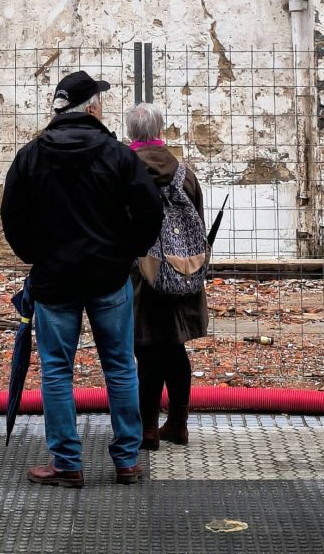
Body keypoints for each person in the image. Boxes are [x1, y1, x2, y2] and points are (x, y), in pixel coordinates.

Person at [1, 70, 163, 488]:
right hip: (109, 278)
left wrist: (35, 257)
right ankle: (127, 460)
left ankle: (67, 463)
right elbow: (150, 212)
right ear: (90, 107)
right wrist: (128, 253)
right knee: (121, 367)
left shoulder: (31, 156)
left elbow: (12, 217)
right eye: (100, 101)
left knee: (57, 371)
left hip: (54, 281)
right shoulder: (119, 156)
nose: (103, 106)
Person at [125, 103, 209, 450]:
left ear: (131, 133)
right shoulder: (184, 172)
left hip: (143, 275)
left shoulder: (124, 170)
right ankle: (178, 423)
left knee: (146, 352)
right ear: (160, 131)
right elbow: (199, 222)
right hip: (182, 272)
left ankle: (147, 429)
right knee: (175, 349)